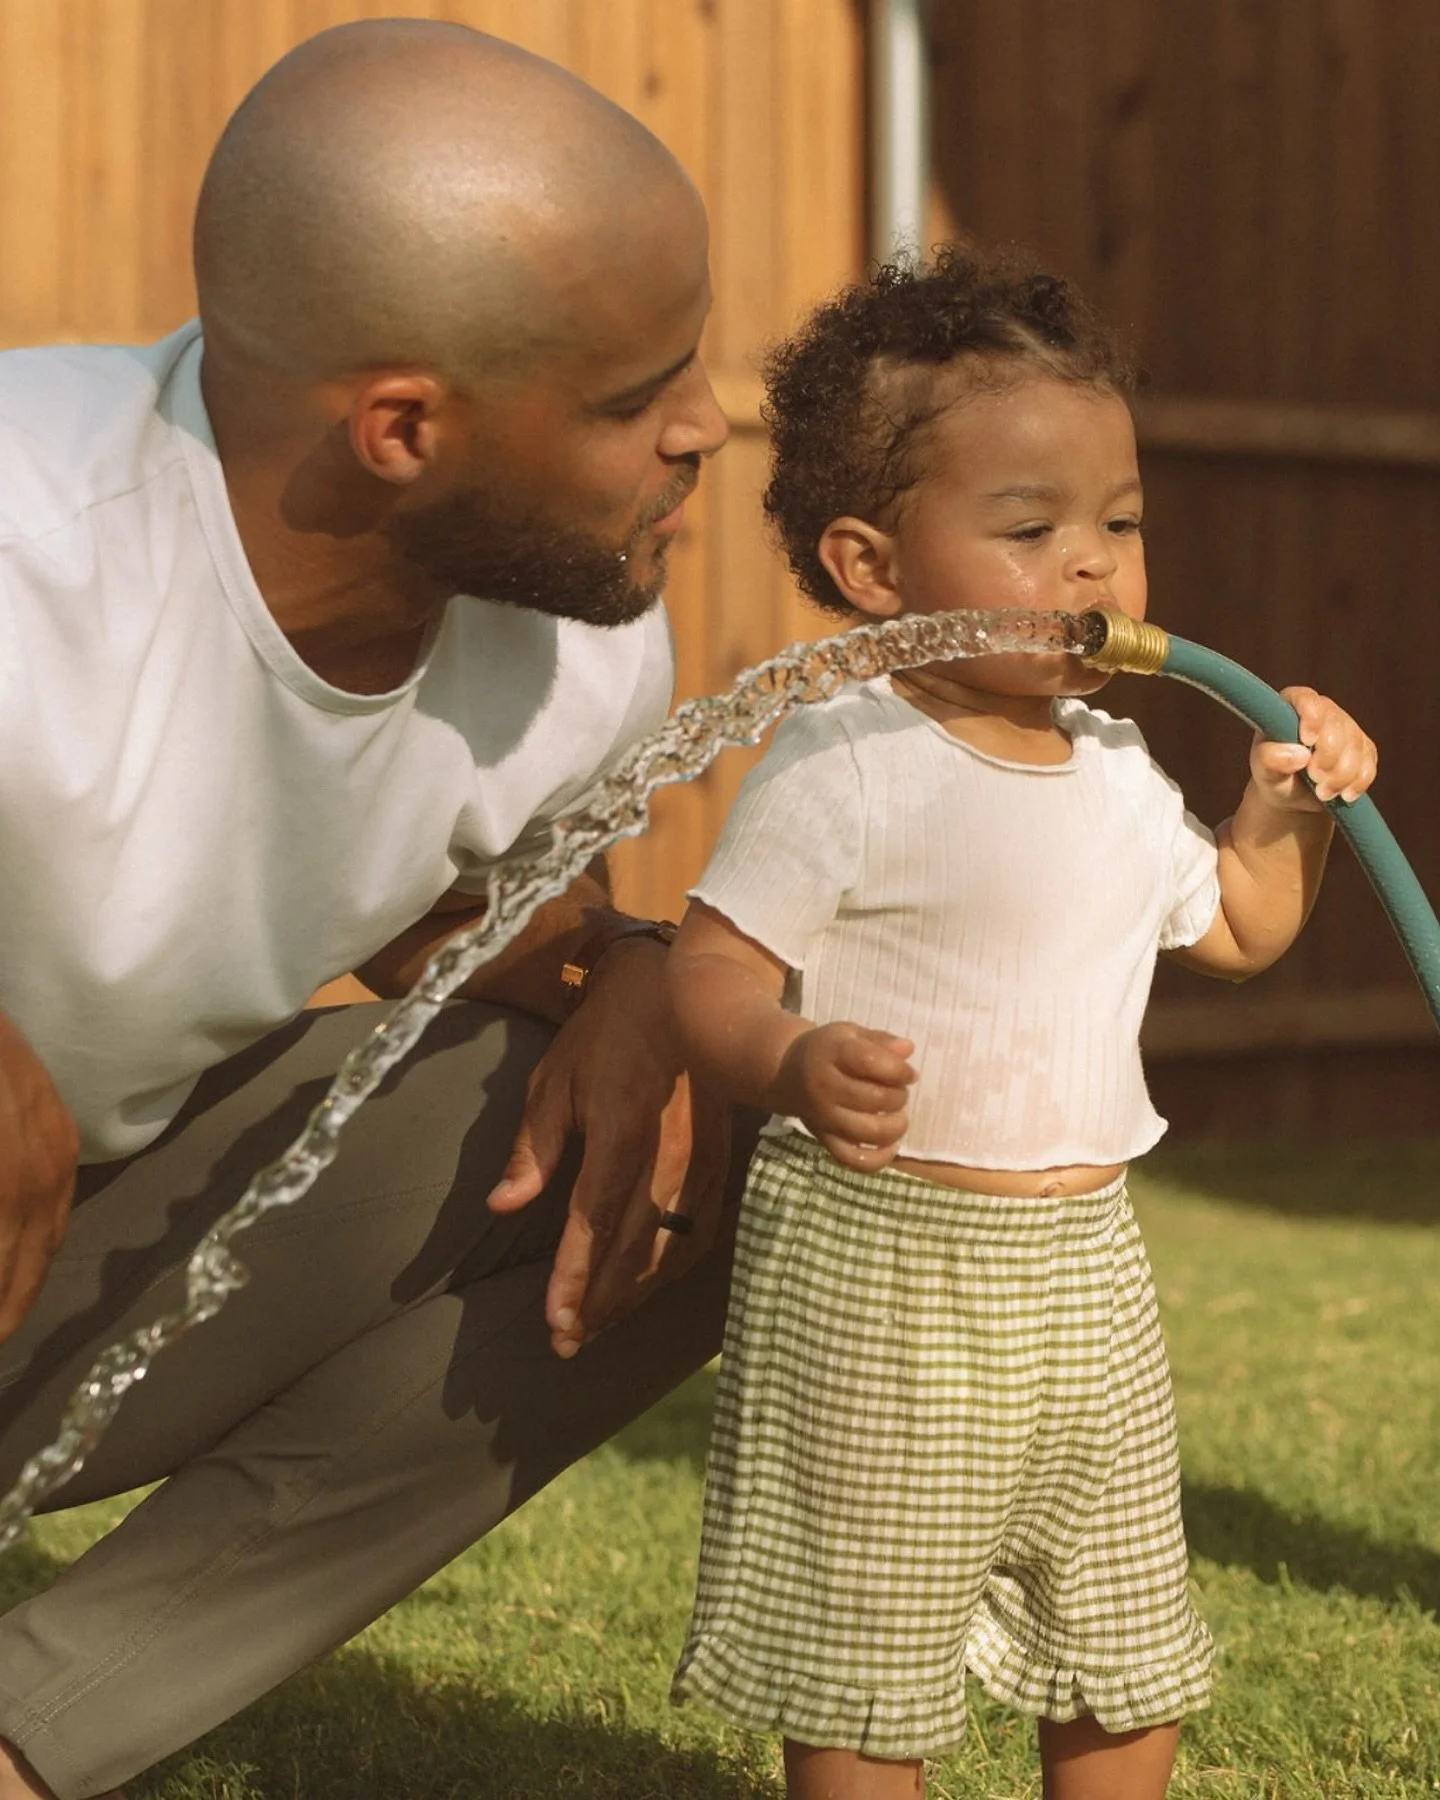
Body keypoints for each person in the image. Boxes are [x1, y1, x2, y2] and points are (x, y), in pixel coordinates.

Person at [0, 20, 746, 1800]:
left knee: (708, 1119)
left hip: (55, 1266)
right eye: (641, 397)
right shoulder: (33, 523)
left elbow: (446, 912)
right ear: (404, 426)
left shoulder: (579, 631)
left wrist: (635, 973)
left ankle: (37, 1732)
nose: (706, 429)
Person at [665, 247, 1378, 1800]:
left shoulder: (1118, 768)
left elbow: (1244, 931)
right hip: (885, 1266)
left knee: (1121, 1637)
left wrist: (1285, 813)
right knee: (869, 1655)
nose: (1094, 571)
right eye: (1032, 528)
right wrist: (786, 1061)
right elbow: (708, 971)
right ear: (873, 568)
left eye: (1120, 526)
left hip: (1086, 1273)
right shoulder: (845, 759)